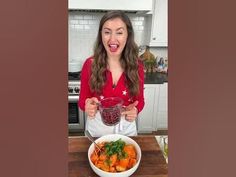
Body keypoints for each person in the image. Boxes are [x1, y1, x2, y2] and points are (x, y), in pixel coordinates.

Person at [78, 10, 145, 137]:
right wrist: (87, 106)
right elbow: (82, 101)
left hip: (126, 127)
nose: (112, 39)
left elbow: (139, 100)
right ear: (101, 35)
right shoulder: (89, 64)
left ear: (127, 35)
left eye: (119, 32)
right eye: (107, 32)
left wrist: (136, 110)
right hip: (97, 128)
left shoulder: (137, 66)